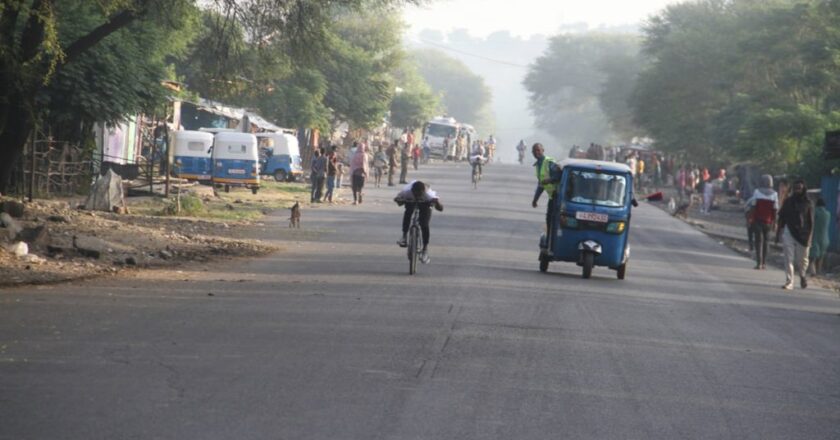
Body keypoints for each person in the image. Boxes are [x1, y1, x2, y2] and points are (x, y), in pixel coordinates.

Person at [776, 179, 814, 290]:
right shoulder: (788, 202)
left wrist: (810, 237)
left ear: (803, 189)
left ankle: (802, 275)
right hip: (789, 231)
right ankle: (789, 281)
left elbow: (811, 222)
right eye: (796, 188)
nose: (797, 190)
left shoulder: (808, 203)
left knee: (802, 260)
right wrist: (778, 233)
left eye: (800, 188)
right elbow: (781, 217)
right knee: (788, 258)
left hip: (804, 235)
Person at [395, 180, 444, 264]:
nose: (417, 196)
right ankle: (404, 236)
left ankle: (425, 249)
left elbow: (441, 209)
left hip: (425, 203)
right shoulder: (406, 192)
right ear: (412, 191)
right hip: (411, 201)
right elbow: (399, 202)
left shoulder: (429, 194)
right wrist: (399, 200)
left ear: (423, 192)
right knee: (408, 212)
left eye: (419, 194)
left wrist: (436, 202)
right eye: (415, 194)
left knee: (424, 224)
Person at [531, 143, 562, 250]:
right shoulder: (538, 165)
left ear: (543, 150)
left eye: (538, 150)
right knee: (549, 219)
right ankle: (549, 243)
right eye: (534, 151)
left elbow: (558, 176)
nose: (537, 153)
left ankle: (555, 242)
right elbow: (541, 185)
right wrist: (535, 200)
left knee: (557, 220)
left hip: (559, 195)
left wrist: (548, 180)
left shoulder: (549, 162)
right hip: (552, 196)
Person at [746, 175, 778, 269]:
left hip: (757, 220)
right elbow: (775, 210)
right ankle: (764, 263)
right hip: (768, 222)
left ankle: (758, 263)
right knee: (766, 242)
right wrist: (774, 222)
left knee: (758, 242)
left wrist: (750, 218)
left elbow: (753, 206)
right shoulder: (775, 194)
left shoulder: (757, 192)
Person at [809, 197, 830, 275]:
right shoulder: (828, 214)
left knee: (812, 258)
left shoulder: (815, 213)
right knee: (821, 257)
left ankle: (813, 272)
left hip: (815, 238)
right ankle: (818, 272)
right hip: (825, 239)